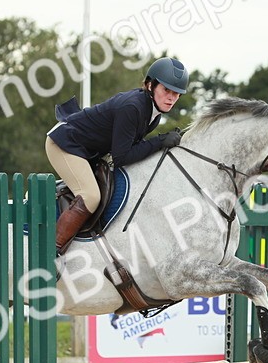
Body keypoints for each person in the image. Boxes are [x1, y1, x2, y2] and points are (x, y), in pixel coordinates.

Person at [46, 56, 189, 252]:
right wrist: (159, 141)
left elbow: (130, 149)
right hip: (65, 144)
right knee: (90, 196)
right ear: (150, 85)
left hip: (87, 150)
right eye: (167, 90)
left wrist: (159, 142)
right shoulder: (133, 107)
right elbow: (121, 157)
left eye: (177, 93)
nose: (171, 98)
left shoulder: (153, 114)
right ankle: (50, 251)